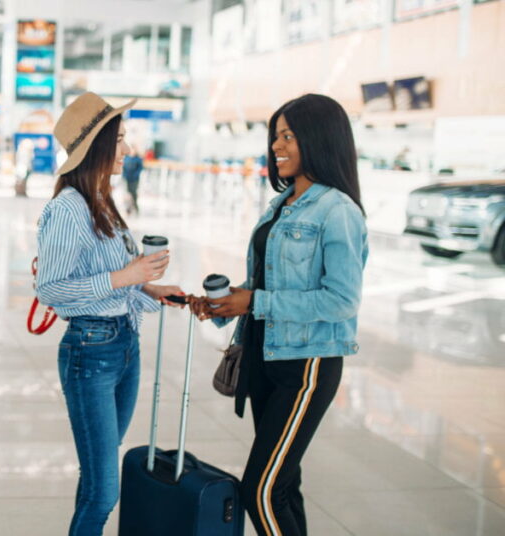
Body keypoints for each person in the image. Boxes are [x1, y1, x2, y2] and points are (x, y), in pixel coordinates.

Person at [189, 94, 368, 536]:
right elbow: (267, 287)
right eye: (276, 136)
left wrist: (256, 302)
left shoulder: (338, 211)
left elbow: (341, 301)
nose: (277, 146)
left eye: (288, 136)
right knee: (283, 486)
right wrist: (228, 302)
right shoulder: (283, 204)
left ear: (319, 140)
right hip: (265, 357)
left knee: (261, 491)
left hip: (306, 365)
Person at [36, 92, 185, 536]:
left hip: (123, 346)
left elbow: (115, 284)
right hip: (91, 354)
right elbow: (52, 289)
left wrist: (150, 288)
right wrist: (127, 275)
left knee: (98, 476)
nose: (126, 149)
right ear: (98, 145)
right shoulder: (67, 209)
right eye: (119, 140)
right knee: (104, 491)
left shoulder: (103, 202)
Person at [121, 147, 143, 214]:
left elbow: (140, 168)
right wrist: (124, 175)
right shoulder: (126, 158)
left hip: (134, 179)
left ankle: (135, 207)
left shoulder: (138, 159)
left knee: (133, 193)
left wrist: (135, 175)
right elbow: (123, 168)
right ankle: (128, 209)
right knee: (127, 193)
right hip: (127, 179)